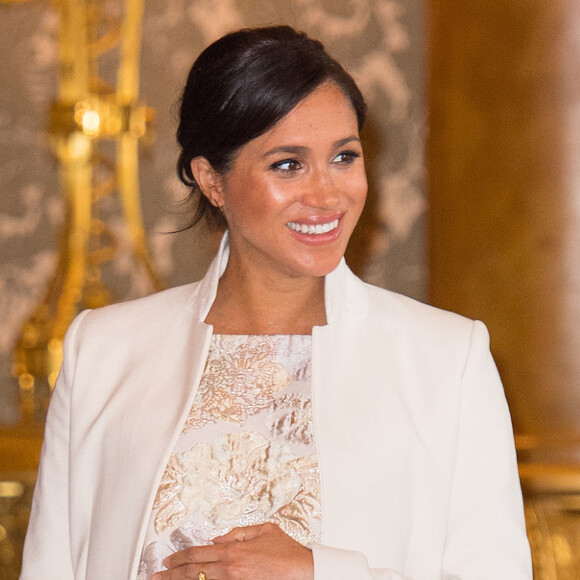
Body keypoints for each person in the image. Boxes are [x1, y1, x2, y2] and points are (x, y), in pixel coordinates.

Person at [20, 26, 532, 580]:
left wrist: (320, 573)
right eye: (287, 164)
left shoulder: (445, 359)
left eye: (344, 156)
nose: (327, 194)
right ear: (211, 179)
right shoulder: (104, 349)